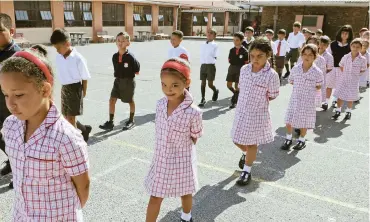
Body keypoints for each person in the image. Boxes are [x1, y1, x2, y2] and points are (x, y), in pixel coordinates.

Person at [0, 48, 90, 221]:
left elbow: (83, 186)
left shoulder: (66, 137)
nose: (10, 103)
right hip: (22, 215)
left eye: (18, 94)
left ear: (45, 90)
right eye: (5, 94)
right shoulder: (10, 126)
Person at [144, 57, 203, 222]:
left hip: (182, 160)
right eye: (164, 85)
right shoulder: (160, 105)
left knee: (185, 192)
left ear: (187, 82)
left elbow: (195, 135)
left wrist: (183, 150)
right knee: (155, 196)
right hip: (162, 159)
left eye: (175, 85)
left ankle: (186, 216)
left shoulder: (194, 112)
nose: (168, 90)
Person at [231, 37, 280, 186]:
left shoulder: (272, 75)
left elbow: (273, 94)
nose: (255, 59)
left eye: (260, 56)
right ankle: (247, 155)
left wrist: (258, 102)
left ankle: (246, 170)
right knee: (236, 139)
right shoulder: (244, 69)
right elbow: (241, 86)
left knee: (252, 143)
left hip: (257, 114)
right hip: (241, 111)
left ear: (268, 55)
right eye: (252, 56)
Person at [50, 28, 92, 141]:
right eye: (55, 48)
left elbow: (85, 77)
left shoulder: (78, 58)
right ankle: (84, 130)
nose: (57, 51)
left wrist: (84, 91)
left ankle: (74, 141)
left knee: (71, 118)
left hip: (75, 88)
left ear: (67, 44)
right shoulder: (59, 57)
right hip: (65, 88)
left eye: (58, 48)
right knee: (66, 116)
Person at [280, 44, 324, 150]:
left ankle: (302, 140)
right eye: (304, 54)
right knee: (289, 120)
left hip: (308, 100)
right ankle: (288, 138)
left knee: (304, 121)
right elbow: (291, 81)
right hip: (295, 98)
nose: (307, 57)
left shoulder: (317, 72)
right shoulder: (296, 68)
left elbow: (319, 85)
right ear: (301, 55)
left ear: (315, 56)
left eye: (310, 55)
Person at [99, 32, 140, 131]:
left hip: (128, 81)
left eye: (123, 41)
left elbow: (137, 69)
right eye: (118, 40)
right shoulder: (114, 57)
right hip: (117, 81)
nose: (120, 42)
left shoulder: (130, 57)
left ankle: (131, 120)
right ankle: (110, 122)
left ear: (128, 43)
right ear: (115, 42)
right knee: (112, 100)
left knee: (130, 100)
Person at [0, 13, 21, 187]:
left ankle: (20, 171)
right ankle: (12, 159)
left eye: (0, 31)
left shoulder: (18, 55)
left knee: (17, 139)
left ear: (11, 31)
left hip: (13, 106)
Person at [332, 38, 367, 120]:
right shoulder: (346, 57)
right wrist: (345, 73)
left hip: (354, 81)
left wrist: (356, 75)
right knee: (340, 95)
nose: (355, 48)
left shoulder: (362, 59)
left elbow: (363, 69)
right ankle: (338, 110)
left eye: (358, 47)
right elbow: (341, 65)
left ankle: (348, 111)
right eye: (354, 46)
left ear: (361, 48)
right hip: (344, 79)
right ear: (350, 47)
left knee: (350, 97)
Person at [326, 25, 353, 108]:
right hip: (333, 67)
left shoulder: (351, 46)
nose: (344, 35)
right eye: (343, 33)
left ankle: (334, 100)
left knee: (339, 86)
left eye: (346, 33)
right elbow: (328, 55)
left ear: (349, 35)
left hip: (343, 69)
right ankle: (326, 102)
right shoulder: (333, 44)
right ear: (340, 33)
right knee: (329, 85)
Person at [227, 32, 249, 109]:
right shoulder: (231, 50)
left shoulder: (245, 51)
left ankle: (234, 101)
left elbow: (246, 63)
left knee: (237, 86)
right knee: (229, 85)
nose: (235, 42)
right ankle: (236, 94)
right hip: (232, 69)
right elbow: (229, 60)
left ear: (241, 40)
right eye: (234, 40)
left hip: (240, 70)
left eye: (237, 40)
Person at [199, 28, 219, 107]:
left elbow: (216, 56)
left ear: (214, 36)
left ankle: (215, 90)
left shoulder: (215, 45)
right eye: (208, 33)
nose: (209, 34)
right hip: (203, 65)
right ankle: (203, 98)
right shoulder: (203, 44)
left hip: (210, 66)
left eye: (211, 33)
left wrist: (211, 60)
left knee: (210, 84)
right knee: (203, 82)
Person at [318, 36, 334, 110]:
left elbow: (330, 67)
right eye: (320, 43)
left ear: (327, 46)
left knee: (319, 91)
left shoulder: (329, 56)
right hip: (310, 75)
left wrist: (323, 72)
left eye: (324, 45)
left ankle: (320, 103)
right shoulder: (314, 52)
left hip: (321, 76)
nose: (321, 46)